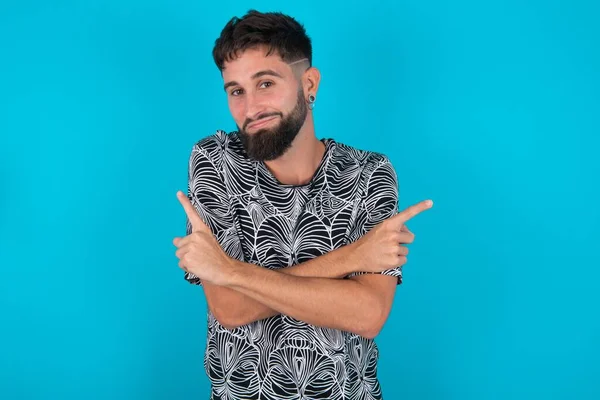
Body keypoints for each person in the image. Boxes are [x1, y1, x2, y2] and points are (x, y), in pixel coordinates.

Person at [172, 9, 433, 400]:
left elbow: (367, 314)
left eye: (265, 83)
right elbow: (229, 308)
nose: (251, 108)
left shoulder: (368, 173)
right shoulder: (215, 160)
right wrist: (352, 258)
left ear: (308, 83)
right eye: (236, 90)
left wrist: (229, 270)